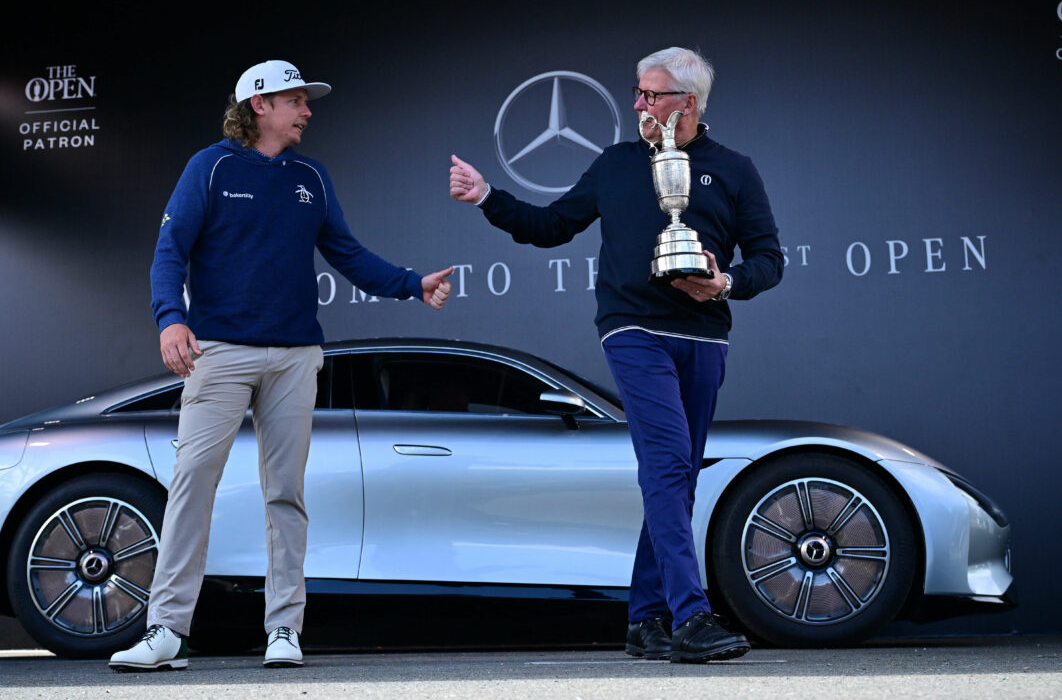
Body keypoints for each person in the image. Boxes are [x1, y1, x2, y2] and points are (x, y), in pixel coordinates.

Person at [109, 60, 454, 672]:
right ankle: (165, 630)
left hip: (296, 356)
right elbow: (170, 251)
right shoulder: (209, 167)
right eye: (297, 99)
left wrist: (410, 284)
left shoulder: (311, 177)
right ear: (260, 105)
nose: (308, 111)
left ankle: (284, 631)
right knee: (192, 486)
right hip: (218, 353)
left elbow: (347, 253)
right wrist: (170, 318)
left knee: (286, 495)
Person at [449, 47, 782, 663]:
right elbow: (549, 226)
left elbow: (769, 259)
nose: (637, 104)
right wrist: (486, 195)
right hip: (632, 330)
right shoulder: (616, 164)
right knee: (666, 465)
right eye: (637, 92)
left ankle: (644, 618)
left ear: (688, 103)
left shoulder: (733, 169)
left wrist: (726, 281)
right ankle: (691, 616)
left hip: (705, 335)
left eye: (650, 95)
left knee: (677, 476)